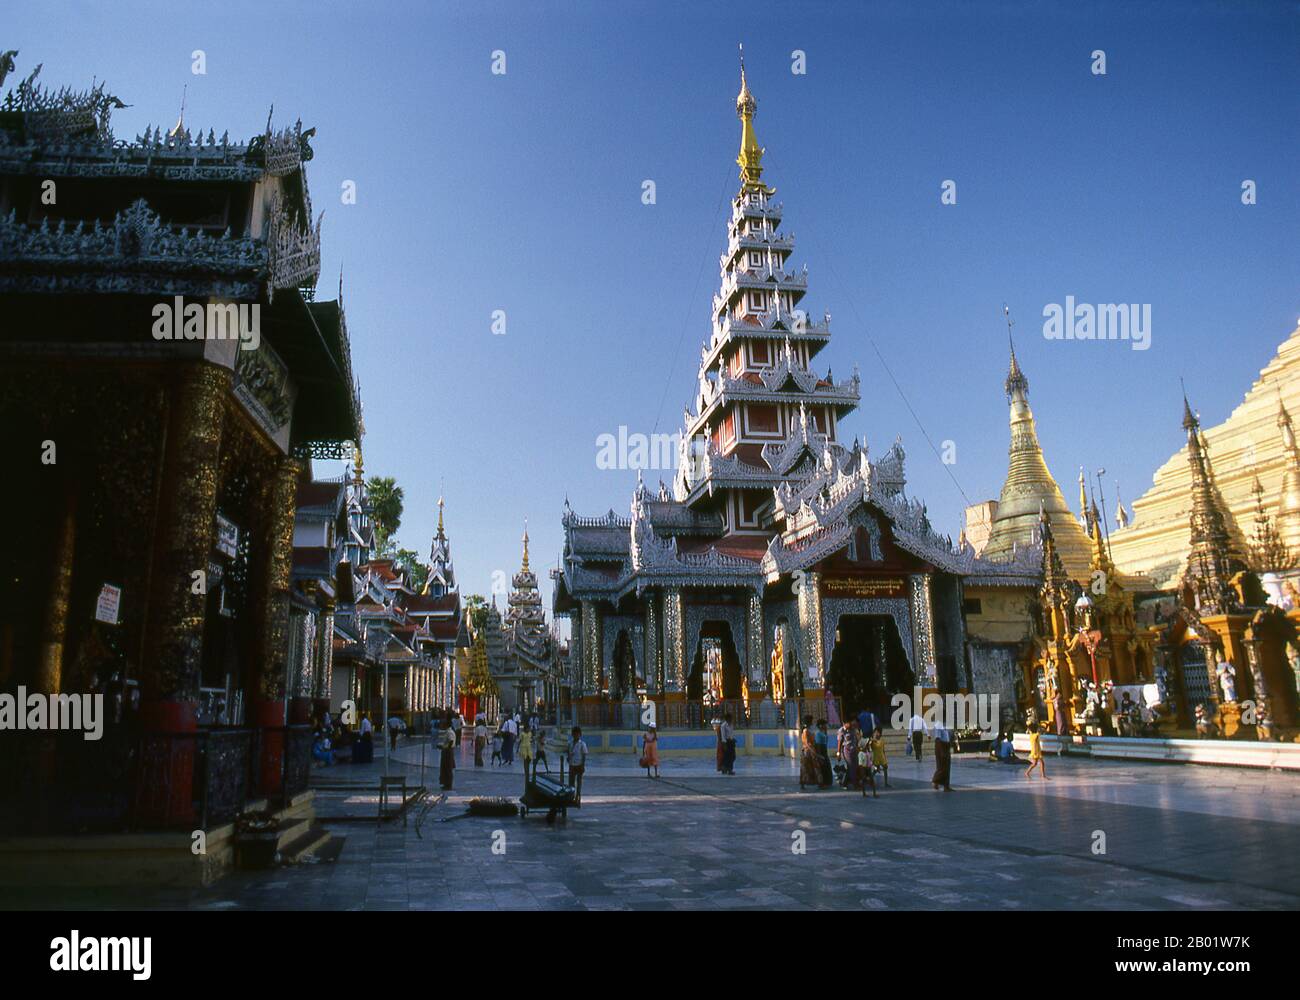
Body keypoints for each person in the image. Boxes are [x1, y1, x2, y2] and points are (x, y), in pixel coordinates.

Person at [799, 716, 819, 790]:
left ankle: (815, 781)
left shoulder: (808, 730)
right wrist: (813, 751)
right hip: (808, 751)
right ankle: (803, 782)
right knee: (807, 767)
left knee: (812, 767)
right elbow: (807, 743)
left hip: (810, 750)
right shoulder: (806, 731)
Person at [437, 709, 456, 790]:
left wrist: (445, 747)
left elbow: (451, 741)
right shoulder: (447, 732)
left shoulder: (450, 732)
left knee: (448, 768)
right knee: (444, 767)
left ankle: (448, 784)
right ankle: (445, 783)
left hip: (448, 752)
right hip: (446, 750)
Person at [569, 726, 588, 805]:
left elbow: (584, 755)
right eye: (574, 734)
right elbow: (569, 753)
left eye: (577, 734)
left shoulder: (582, 744)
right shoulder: (570, 743)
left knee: (579, 782)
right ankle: (571, 796)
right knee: (571, 782)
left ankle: (578, 796)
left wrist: (583, 765)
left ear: (580, 735)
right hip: (572, 765)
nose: (576, 735)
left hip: (579, 765)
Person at [931, 725, 952, 791]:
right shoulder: (938, 725)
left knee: (947, 766)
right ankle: (935, 781)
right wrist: (941, 751)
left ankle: (946, 786)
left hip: (946, 745)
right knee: (942, 766)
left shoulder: (945, 724)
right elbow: (938, 739)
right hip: (941, 746)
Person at [815, 719, 833, 788]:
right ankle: (822, 783)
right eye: (824, 724)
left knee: (827, 766)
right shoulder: (818, 734)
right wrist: (819, 756)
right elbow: (818, 745)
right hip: (821, 750)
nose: (825, 726)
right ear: (820, 725)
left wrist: (826, 731)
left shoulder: (823, 732)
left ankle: (827, 782)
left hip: (824, 750)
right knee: (823, 767)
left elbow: (826, 741)